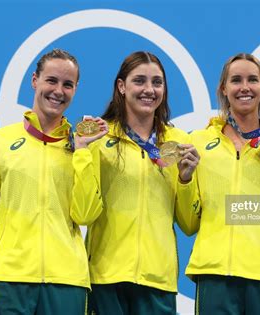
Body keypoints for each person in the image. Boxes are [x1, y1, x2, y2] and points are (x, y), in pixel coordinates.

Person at [0, 48, 108, 314]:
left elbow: (85, 214)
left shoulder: (82, 147)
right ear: (34, 80)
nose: (58, 91)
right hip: (9, 280)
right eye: (51, 80)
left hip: (67, 282)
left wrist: (84, 151)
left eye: (68, 84)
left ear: (76, 89)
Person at [70, 51, 200, 315]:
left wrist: (186, 179)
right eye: (139, 81)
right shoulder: (99, 138)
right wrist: (83, 153)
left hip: (158, 281)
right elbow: (83, 214)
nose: (149, 90)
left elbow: (189, 224)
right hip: (106, 278)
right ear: (122, 86)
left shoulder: (178, 143)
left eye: (157, 82)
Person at [185, 53, 260, 314]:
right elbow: (188, 222)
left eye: (253, 80)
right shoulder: (198, 142)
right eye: (236, 80)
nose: (244, 87)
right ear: (223, 89)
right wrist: (184, 180)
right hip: (214, 275)